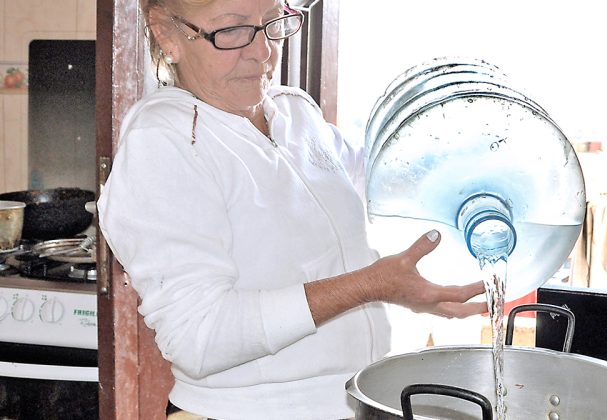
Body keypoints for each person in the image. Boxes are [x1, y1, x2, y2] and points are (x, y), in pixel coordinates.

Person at [97, 0, 487, 418]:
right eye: (233, 30)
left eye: (271, 24)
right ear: (167, 32)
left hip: (358, 401)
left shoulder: (295, 114)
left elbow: (387, 184)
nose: (263, 52)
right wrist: (372, 285)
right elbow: (199, 336)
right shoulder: (164, 141)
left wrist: (473, 164)